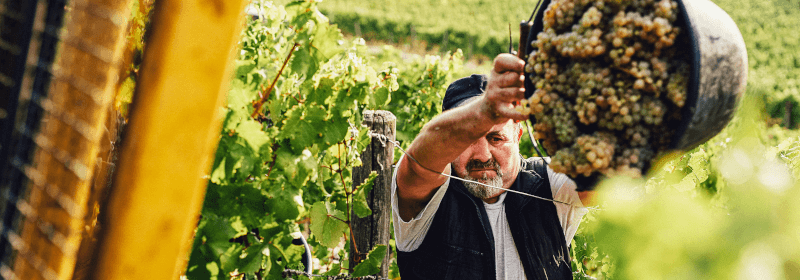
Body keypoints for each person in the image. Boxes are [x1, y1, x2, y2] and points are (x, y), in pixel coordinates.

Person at [391, 54, 595, 280]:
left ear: (518, 134)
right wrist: (483, 111)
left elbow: (603, 177)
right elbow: (420, 162)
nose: (482, 155)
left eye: (496, 138)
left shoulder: (551, 183)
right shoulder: (432, 192)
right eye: (467, 138)